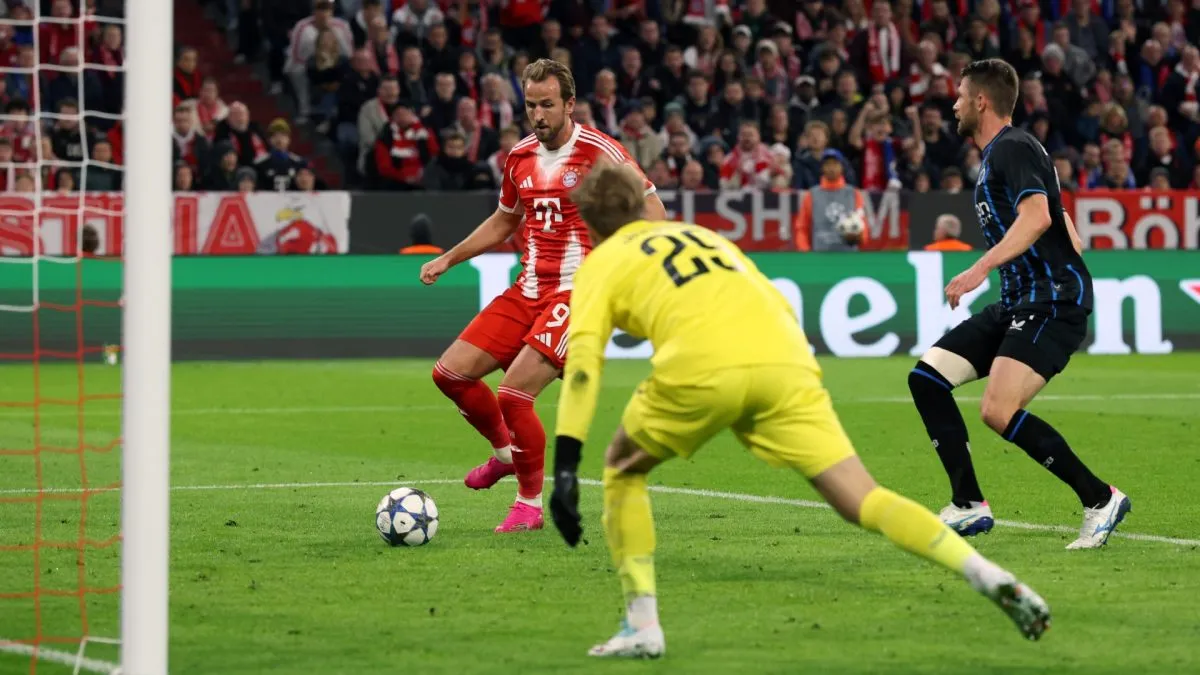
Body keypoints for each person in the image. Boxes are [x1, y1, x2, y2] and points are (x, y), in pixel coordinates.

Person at [548, 162, 1051, 659]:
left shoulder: (601, 263)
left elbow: (584, 367)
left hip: (702, 367)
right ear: (640, 205)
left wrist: (567, 461)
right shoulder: (698, 236)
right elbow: (767, 297)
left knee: (622, 468)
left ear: (588, 222)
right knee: (864, 498)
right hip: (784, 358)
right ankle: (987, 574)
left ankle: (641, 625)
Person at [420, 58, 667, 533]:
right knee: (449, 374)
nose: (538, 114)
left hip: (579, 293)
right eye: (531, 105)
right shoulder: (519, 157)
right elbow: (504, 219)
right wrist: (449, 258)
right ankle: (505, 456)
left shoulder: (600, 152)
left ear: (570, 104)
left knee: (514, 394)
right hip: (529, 287)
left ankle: (529, 505)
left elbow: (651, 206)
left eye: (547, 104)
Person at [908, 59, 1130, 549]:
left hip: (1050, 300)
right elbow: (1060, 220)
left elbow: (1037, 218)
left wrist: (978, 269)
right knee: (927, 379)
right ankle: (968, 504)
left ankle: (1100, 499)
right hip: (1019, 300)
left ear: (981, 101)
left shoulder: (1011, 146)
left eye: (960, 96)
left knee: (998, 410)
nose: (955, 105)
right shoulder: (1004, 154)